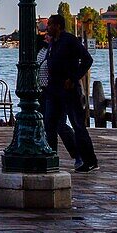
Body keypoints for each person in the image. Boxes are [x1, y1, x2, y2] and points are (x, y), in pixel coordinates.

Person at [43, 13, 98, 172]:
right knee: (50, 124)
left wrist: (73, 78)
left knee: (78, 125)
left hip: (69, 90)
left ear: (58, 26)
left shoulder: (70, 40)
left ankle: (90, 160)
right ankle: (51, 157)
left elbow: (87, 60)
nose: (48, 28)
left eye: (50, 25)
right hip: (53, 90)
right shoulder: (53, 42)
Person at [36, 30, 78, 162]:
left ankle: (78, 153)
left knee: (60, 125)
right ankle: (50, 154)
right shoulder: (41, 51)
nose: (46, 38)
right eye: (46, 36)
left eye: (49, 35)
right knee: (47, 125)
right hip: (43, 92)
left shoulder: (59, 53)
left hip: (58, 91)